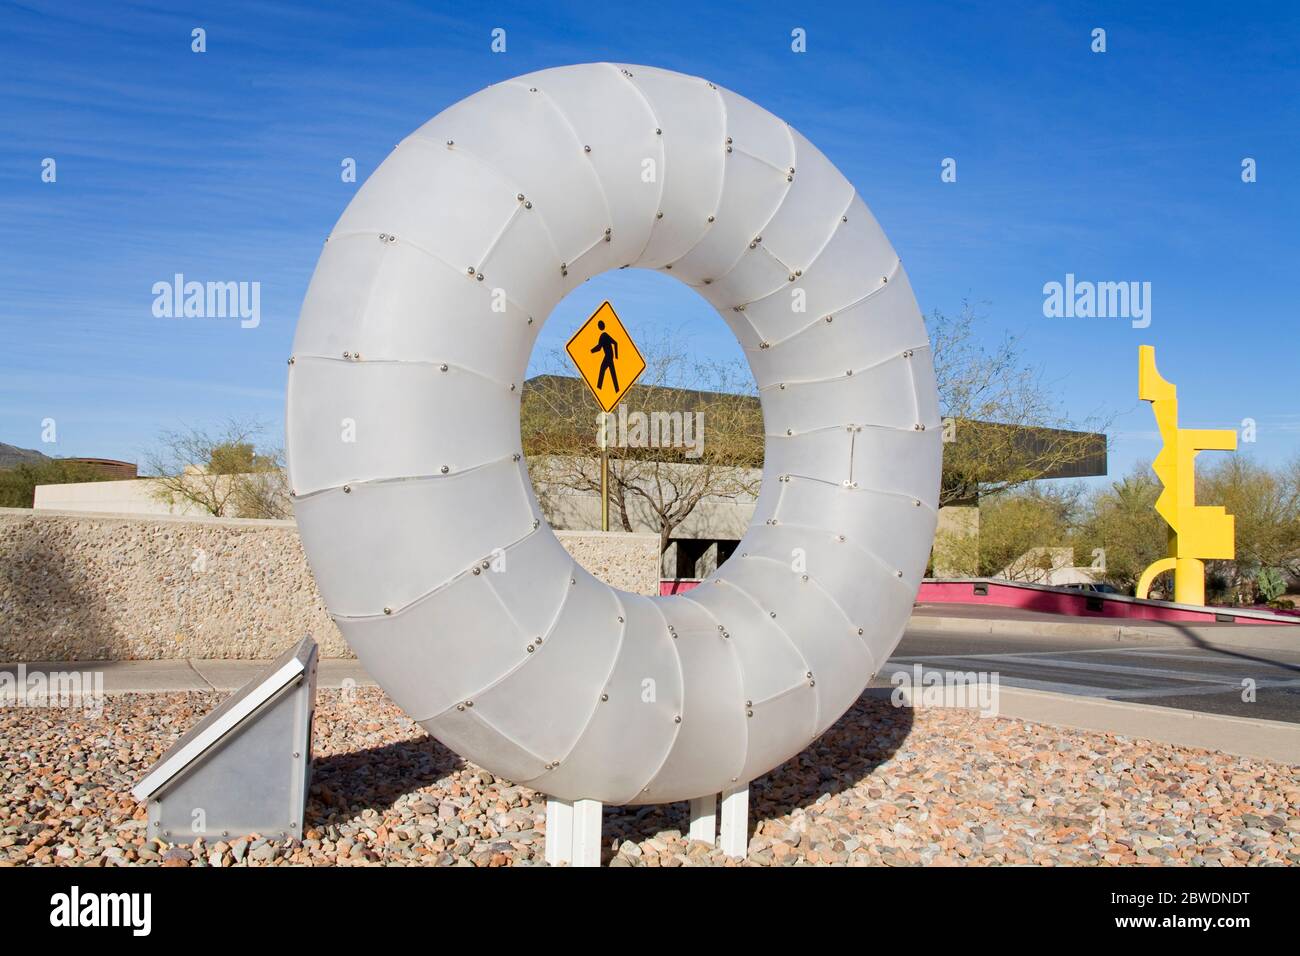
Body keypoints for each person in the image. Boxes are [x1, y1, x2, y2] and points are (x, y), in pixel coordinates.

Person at [591, 319, 620, 393]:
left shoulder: (603, 336)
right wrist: (615, 356)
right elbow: (615, 343)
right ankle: (617, 389)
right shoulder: (605, 335)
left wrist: (590, 351)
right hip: (610, 356)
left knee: (602, 370)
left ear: (600, 326)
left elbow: (599, 348)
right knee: (612, 373)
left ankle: (599, 388)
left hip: (608, 356)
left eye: (599, 325)